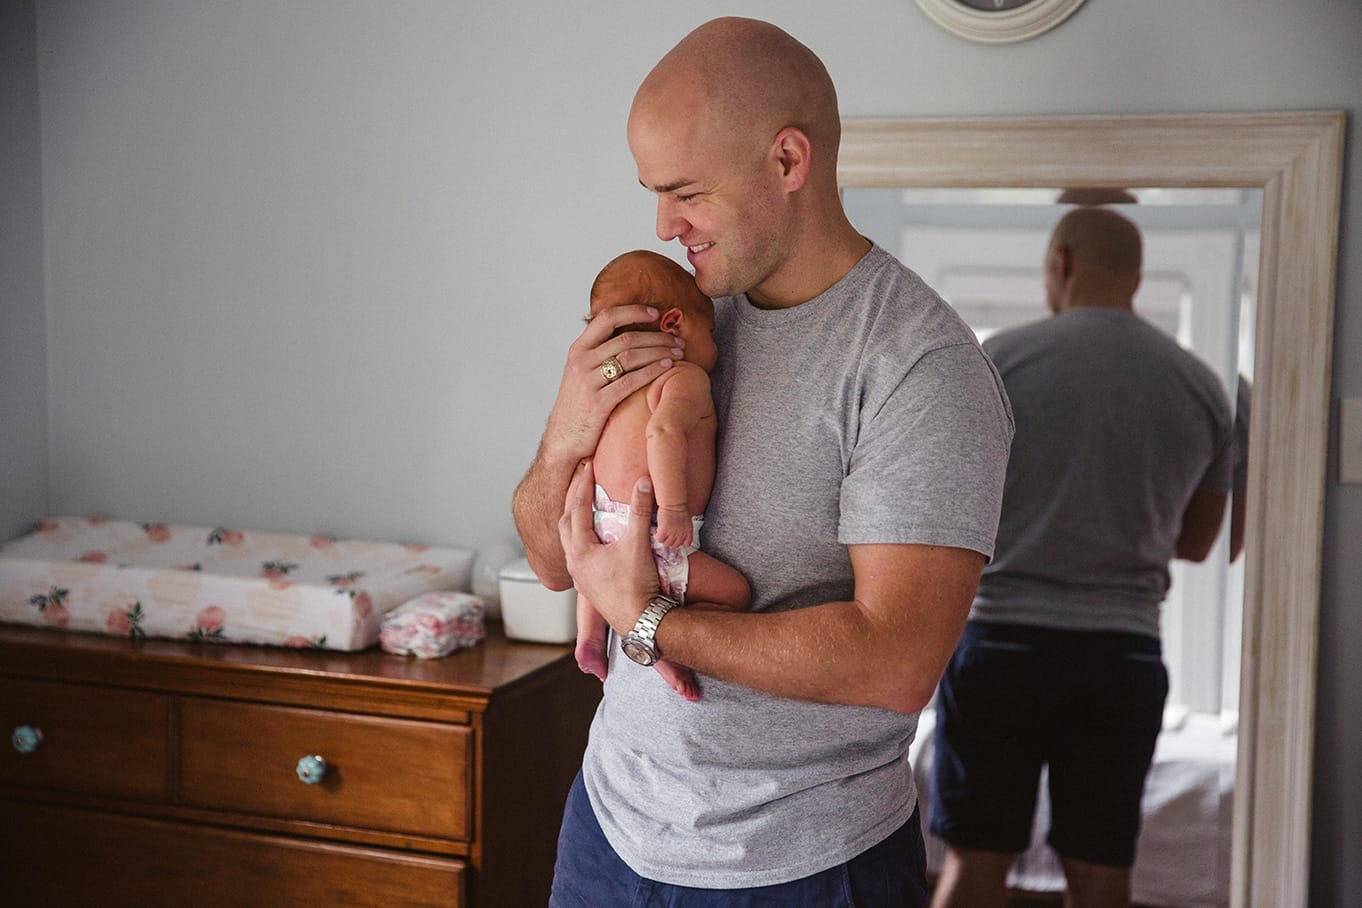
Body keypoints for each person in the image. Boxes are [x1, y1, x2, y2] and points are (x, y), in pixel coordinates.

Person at [511, 16, 1013, 906]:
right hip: (607, 830)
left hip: (801, 868)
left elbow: (896, 663)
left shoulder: (918, 366)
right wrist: (566, 424)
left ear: (787, 161)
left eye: (685, 192)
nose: (663, 226)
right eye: (654, 194)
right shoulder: (678, 320)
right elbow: (557, 561)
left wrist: (653, 622)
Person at [929, 206, 1234, 908]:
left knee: (974, 866)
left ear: (1059, 262)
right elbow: (1196, 543)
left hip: (1001, 645)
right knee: (1101, 876)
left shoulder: (997, 362)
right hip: (1121, 656)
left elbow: (945, 514)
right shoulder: (1200, 386)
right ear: (1137, 275)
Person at [573, 249, 750, 702]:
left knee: (594, 580)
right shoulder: (684, 377)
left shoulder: (611, 389)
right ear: (674, 325)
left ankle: (591, 639)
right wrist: (672, 510)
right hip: (652, 534)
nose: (716, 344)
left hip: (599, 525)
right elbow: (664, 431)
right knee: (734, 593)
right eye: (710, 331)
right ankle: (669, 651)